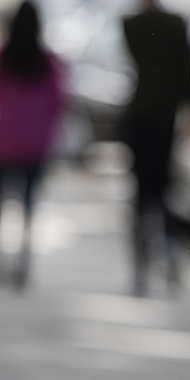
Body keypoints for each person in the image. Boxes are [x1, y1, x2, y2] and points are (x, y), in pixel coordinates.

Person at [120, 0, 190, 296]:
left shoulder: (131, 24)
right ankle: (169, 263)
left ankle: (141, 268)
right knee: (164, 192)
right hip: (165, 116)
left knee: (142, 194)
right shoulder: (175, 24)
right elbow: (187, 70)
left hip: (140, 116)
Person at [0, 0, 66, 291]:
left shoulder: (3, 59)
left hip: (4, 142)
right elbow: (58, 104)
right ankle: (23, 261)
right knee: (28, 206)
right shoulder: (48, 62)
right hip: (36, 143)